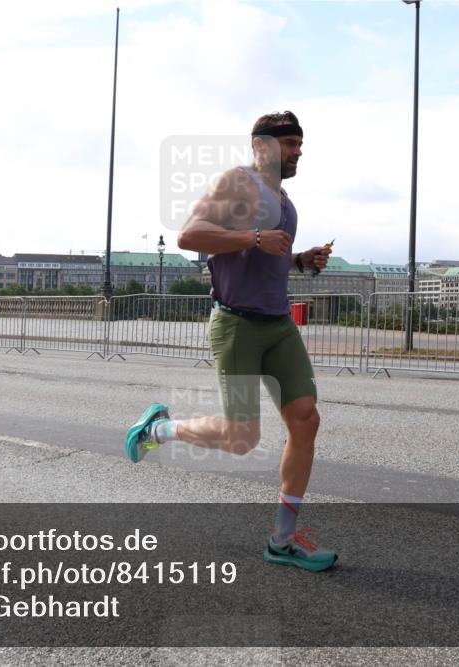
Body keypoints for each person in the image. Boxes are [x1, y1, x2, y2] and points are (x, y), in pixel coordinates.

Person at [124, 111, 336, 572]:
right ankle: (158, 430)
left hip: (279, 326)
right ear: (262, 146)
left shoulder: (286, 201)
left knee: (306, 420)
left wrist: (301, 260)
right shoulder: (236, 184)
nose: (298, 152)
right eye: (290, 144)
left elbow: (266, 259)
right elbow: (189, 235)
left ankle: (282, 540)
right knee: (243, 437)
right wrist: (255, 236)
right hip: (237, 325)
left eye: (300, 144)